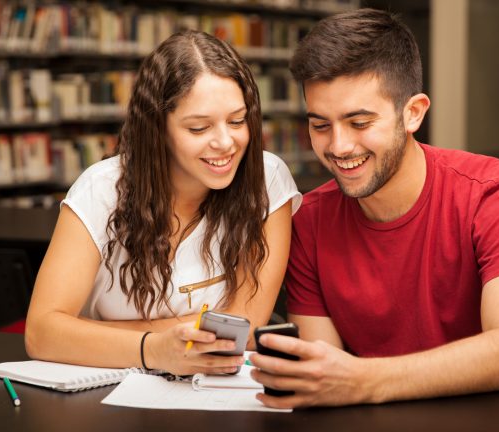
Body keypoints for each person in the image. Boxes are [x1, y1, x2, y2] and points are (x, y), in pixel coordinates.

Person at [250, 9, 499, 408]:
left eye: (359, 123)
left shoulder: (498, 196)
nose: (338, 147)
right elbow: (324, 378)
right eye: (320, 125)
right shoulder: (308, 221)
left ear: (413, 113)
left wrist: (363, 381)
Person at [25, 30, 301, 376]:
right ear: (158, 129)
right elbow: (42, 333)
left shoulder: (267, 179)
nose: (226, 142)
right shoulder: (102, 189)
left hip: (208, 395)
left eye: (237, 120)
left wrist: (89, 333)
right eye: (199, 128)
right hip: (106, 390)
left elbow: (241, 328)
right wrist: (154, 349)